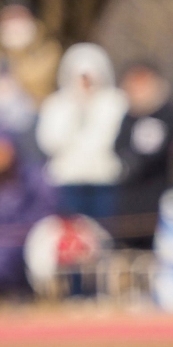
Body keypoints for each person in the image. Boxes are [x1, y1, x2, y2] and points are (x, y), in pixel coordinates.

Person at [36, 43, 127, 225]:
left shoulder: (116, 102)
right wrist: (75, 110)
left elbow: (118, 139)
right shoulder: (56, 104)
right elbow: (49, 142)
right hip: (67, 181)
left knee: (103, 230)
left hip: (105, 180)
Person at [0, 129, 55, 302]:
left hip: (25, 240)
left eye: (0, 152)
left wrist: (19, 231)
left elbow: (44, 210)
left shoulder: (31, 179)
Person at [114, 61, 173, 249]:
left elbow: (157, 150)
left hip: (156, 194)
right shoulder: (126, 117)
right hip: (128, 199)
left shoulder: (166, 113)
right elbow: (118, 146)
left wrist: (137, 161)